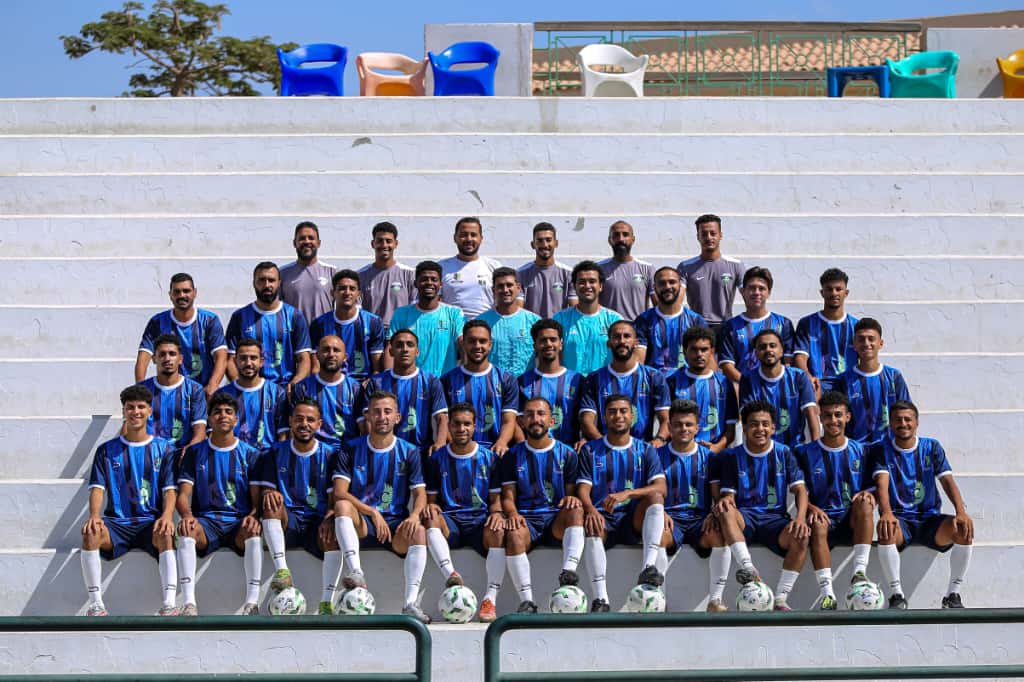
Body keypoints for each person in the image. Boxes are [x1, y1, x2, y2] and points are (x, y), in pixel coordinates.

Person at [330, 391, 432, 623]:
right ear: (367, 416)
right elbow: (339, 492)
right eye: (376, 412)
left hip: (395, 526)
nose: (382, 417)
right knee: (343, 506)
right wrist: (372, 512)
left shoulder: (409, 451)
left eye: (387, 411)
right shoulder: (350, 448)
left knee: (418, 530)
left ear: (397, 417)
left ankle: (410, 604)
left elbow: (420, 494)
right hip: (363, 523)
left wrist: (415, 515)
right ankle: (356, 572)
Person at [81, 385, 178, 616]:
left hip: (150, 523)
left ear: (150, 411)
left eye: (141, 407)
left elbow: (170, 490)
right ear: (124, 412)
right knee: (90, 533)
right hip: (117, 524)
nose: (136, 412)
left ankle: (169, 603)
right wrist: (94, 516)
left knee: (166, 532)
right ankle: (96, 605)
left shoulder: (164, 449)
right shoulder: (106, 450)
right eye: (130, 407)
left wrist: (167, 516)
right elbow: (97, 489)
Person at [871, 401, 974, 610]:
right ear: (891, 424)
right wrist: (886, 513)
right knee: (886, 528)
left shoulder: (931, 447)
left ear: (916, 422)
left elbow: (947, 481)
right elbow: (881, 484)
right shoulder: (881, 450)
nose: (903, 423)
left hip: (929, 520)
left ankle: (952, 594)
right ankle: (896, 596)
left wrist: (961, 511)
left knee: (963, 528)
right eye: (898, 420)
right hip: (900, 520)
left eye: (907, 419)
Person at [714, 400, 810, 611]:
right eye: (754, 424)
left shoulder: (784, 452)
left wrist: (801, 518)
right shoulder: (731, 456)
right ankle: (748, 569)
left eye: (765, 424)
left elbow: (800, 490)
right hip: (745, 519)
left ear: (773, 427)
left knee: (802, 535)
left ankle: (781, 598)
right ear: (744, 427)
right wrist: (725, 502)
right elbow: (728, 495)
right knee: (725, 509)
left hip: (775, 520)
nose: (760, 429)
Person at [175, 392, 263, 616]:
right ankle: (189, 603)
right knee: (186, 530)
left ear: (236, 419)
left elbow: (257, 501)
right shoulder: (194, 453)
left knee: (253, 531)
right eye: (217, 412)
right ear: (209, 419)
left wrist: (253, 517)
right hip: (207, 523)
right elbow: (183, 495)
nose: (223, 416)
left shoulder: (251, 454)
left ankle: (252, 603)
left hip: (238, 522)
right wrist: (187, 516)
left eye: (228, 412)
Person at [576, 395, 666, 611]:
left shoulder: (646, 449)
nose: (618, 416)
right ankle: (601, 600)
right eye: (612, 411)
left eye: (623, 411)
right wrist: (590, 509)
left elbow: (661, 487)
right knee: (591, 525)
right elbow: (583, 489)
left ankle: (648, 568)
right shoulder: (590, 449)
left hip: (632, 518)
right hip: (603, 517)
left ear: (632, 416)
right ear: (604, 417)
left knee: (655, 497)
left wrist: (628, 493)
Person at [252, 399, 341, 616]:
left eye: (310, 420)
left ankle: (327, 602)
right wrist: (270, 493)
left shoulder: (331, 455)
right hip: (288, 519)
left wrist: (330, 516)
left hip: (317, 521)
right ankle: (282, 572)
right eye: (299, 419)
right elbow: (266, 490)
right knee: (271, 502)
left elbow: (335, 498)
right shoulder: (274, 452)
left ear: (319, 424)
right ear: (290, 421)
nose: (304, 424)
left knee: (335, 528)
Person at [422, 403, 507, 623]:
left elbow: (495, 501)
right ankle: (452, 576)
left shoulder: (490, 458)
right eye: (457, 424)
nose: (461, 429)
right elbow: (431, 501)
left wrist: (497, 514)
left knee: (498, 529)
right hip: (451, 522)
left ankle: (490, 599)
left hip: (480, 522)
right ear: (449, 426)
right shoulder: (436, 459)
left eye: (467, 424)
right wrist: (431, 506)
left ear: (475, 426)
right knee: (430, 516)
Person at [500, 397, 586, 614]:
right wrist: (512, 513)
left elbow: (570, 494)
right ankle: (527, 601)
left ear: (551, 420)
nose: (535, 419)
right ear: (522, 422)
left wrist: (571, 499)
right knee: (513, 533)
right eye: (529, 415)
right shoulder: (512, 456)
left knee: (575, 509)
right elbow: (508, 497)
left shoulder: (567, 453)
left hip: (555, 519)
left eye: (541, 414)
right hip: (527, 520)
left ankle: (568, 573)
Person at [645, 399, 731, 611]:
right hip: (670, 519)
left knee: (720, 536)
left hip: (699, 520)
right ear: (669, 427)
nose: (683, 429)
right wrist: (661, 512)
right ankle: (659, 600)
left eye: (688, 424)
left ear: (697, 427)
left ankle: (715, 600)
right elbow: (651, 491)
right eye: (678, 424)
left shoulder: (709, 457)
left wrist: (714, 513)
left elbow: (716, 494)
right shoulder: (656, 455)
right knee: (658, 536)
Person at [795, 391, 876, 611]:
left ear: (848, 417)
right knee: (817, 522)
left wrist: (870, 496)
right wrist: (811, 507)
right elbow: (797, 491)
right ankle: (827, 594)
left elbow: (873, 489)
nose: (833, 420)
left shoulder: (863, 451)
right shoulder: (803, 452)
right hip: (822, 520)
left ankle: (859, 573)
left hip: (851, 520)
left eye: (838, 415)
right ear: (820, 418)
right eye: (828, 415)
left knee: (866, 502)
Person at [579, 321, 670, 447]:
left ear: (636, 342)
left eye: (627, 336)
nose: (622, 341)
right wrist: (606, 444)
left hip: (643, 449)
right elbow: (587, 421)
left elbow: (666, 419)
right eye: (616, 337)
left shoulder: (654, 377)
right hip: (605, 449)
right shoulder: (594, 378)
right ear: (609, 343)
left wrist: (658, 440)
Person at [135, 273, 227, 398]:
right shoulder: (157, 322)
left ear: (194, 293)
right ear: (170, 295)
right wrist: (140, 391)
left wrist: (213, 385)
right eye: (177, 292)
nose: (182, 295)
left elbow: (221, 356)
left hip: (203, 392)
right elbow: (143, 357)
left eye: (186, 291)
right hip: (168, 392)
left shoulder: (209, 320)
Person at [226, 261, 311, 391]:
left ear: (279, 283)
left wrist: (295, 384)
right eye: (261, 280)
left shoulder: (294, 315)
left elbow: (304, 358)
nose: (267, 285)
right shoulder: (240, 317)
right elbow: (230, 359)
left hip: (285, 389)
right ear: (254, 283)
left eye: (271, 280)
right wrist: (241, 386)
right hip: (251, 389)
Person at [441, 320, 519, 455]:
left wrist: (502, 442)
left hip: (494, 451)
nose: (477, 346)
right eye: (472, 341)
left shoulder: (506, 379)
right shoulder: (447, 380)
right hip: (459, 452)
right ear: (463, 344)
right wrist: (457, 447)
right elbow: (444, 421)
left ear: (490, 345)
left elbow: (509, 420)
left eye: (482, 341)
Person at [366, 330, 449, 456]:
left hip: (421, 452)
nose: (405, 349)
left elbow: (442, 417)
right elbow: (367, 418)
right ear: (391, 351)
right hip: (386, 451)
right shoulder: (377, 382)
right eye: (399, 345)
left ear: (417, 351)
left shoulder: (430, 381)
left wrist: (441, 442)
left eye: (410, 345)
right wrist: (373, 446)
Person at [738, 329, 820, 448]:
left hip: (794, 448)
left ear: (782, 351)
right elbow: (747, 418)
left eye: (773, 346)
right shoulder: (748, 379)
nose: (768, 350)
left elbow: (811, 413)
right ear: (756, 353)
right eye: (762, 347)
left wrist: (816, 449)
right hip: (762, 449)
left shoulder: (798, 376)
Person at [836, 318, 911, 444]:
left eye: (871, 339)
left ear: (881, 343)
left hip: (889, 449)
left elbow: (907, 414)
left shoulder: (894, 377)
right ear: (854, 344)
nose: (866, 343)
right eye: (861, 339)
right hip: (856, 450)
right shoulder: (843, 380)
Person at [717, 266, 795, 385]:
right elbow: (727, 366)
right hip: (744, 388)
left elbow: (788, 362)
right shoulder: (730, 326)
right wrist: (749, 385)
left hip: (777, 387)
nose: (757, 292)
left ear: (769, 292)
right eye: (752, 288)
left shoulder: (783, 324)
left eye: (761, 288)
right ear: (743, 291)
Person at [387, 260, 465, 378]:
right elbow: (390, 349)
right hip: (411, 382)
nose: (429, 283)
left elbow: (464, 345)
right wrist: (388, 379)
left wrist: (466, 377)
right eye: (424, 279)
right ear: (415, 283)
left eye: (434, 279)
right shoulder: (401, 314)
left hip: (445, 383)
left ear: (441, 284)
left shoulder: (454, 313)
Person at [666, 326, 738, 453]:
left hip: (715, 453)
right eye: (694, 349)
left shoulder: (724, 383)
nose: (699, 354)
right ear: (685, 351)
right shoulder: (671, 382)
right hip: (681, 452)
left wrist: (716, 448)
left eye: (704, 349)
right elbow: (667, 423)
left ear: (712, 351)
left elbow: (730, 430)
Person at [310, 269, 385, 381]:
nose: (347, 292)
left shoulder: (373, 322)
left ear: (359, 294)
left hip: (362, 384)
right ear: (332, 293)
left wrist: (371, 383)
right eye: (342, 288)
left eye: (352, 289)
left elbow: (377, 368)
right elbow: (315, 367)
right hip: (330, 382)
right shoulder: (319, 324)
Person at [289, 335, 365, 445]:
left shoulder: (356, 389)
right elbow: (294, 427)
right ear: (317, 355)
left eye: (336, 350)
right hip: (314, 450)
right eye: (326, 350)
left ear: (345, 357)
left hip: (347, 451)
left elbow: (363, 430)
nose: (331, 354)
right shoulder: (302, 387)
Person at [793, 268, 859, 395]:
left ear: (846, 293)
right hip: (818, 384)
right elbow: (800, 357)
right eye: (829, 289)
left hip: (849, 385)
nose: (834, 293)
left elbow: (866, 357)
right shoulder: (807, 323)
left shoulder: (856, 326)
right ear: (822, 292)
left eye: (838, 289)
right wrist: (808, 378)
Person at [518, 319, 583, 447]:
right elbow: (517, 421)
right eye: (543, 340)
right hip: (533, 450)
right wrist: (523, 447)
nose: (548, 344)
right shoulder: (522, 381)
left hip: (569, 450)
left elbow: (586, 417)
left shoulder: (577, 380)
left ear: (561, 344)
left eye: (553, 339)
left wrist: (585, 438)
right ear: (535, 346)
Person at [138, 334, 207, 452]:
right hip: (149, 454)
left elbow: (200, 432)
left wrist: (188, 452)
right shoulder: (142, 390)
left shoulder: (195, 390)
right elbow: (129, 428)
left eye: (172, 354)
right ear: (154, 359)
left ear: (180, 359)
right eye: (162, 354)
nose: (167, 359)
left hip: (182, 454)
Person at [552, 260, 623, 376]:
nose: (587, 286)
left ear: (600, 286)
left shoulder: (614, 320)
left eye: (592, 281)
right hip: (570, 384)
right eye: (582, 282)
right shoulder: (559, 319)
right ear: (574, 286)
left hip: (603, 383)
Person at [676, 214, 746, 330]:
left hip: (725, 327)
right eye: (704, 234)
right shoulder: (685, 267)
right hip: (697, 327)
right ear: (698, 236)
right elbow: (678, 300)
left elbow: (748, 297)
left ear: (720, 235)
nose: (709, 237)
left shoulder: (736, 265)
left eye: (713, 233)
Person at [635, 266, 709, 374]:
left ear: (680, 285)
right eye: (662, 283)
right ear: (654, 287)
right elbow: (638, 359)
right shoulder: (643, 320)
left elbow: (708, 358)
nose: (667, 286)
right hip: (654, 381)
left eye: (672, 282)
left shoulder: (696, 321)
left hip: (687, 381)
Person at [221, 338, 288, 450]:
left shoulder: (277, 392)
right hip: (235, 456)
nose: (248, 363)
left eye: (253, 358)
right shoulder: (223, 394)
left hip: (267, 456)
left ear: (261, 362)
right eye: (243, 358)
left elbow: (283, 435)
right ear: (235, 361)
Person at [476, 267, 542, 376]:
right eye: (500, 286)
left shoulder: (534, 321)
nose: (505, 290)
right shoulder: (481, 322)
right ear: (493, 290)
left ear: (518, 288)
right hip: (492, 383)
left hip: (525, 383)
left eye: (509, 285)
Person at [358, 221, 417, 333]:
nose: (384, 245)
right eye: (380, 241)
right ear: (373, 244)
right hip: (371, 335)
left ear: (396, 244)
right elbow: (358, 312)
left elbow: (414, 309)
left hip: (400, 334)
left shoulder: (409, 274)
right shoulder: (360, 276)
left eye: (388, 241)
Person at [439, 217, 502, 319]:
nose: (469, 239)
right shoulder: (441, 267)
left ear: (481, 238)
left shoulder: (495, 267)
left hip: (486, 326)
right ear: (455, 238)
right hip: (453, 326)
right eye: (463, 235)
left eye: (473, 235)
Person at [516, 222, 577, 318]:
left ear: (556, 243)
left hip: (558, 327)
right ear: (533, 244)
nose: (544, 245)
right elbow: (518, 311)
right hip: (532, 327)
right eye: (540, 240)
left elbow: (575, 309)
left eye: (548, 240)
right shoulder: (520, 274)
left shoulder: (569, 274)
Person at [598, 220, 655, 320]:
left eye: (625, 235)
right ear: (610, 240)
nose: (621, 239)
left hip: (637, 328)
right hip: (608, 328)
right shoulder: (598, 269)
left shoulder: (647, 269)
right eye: (616, 235)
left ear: (633, 239)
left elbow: (658, 305)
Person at [279, 221, 335, 323]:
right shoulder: (282, 274)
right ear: (294, 243)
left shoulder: (332, 272)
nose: (306, 241)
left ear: (318, 243)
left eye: (311, 238)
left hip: (324, 331)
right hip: (294, 332)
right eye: (302, 238)